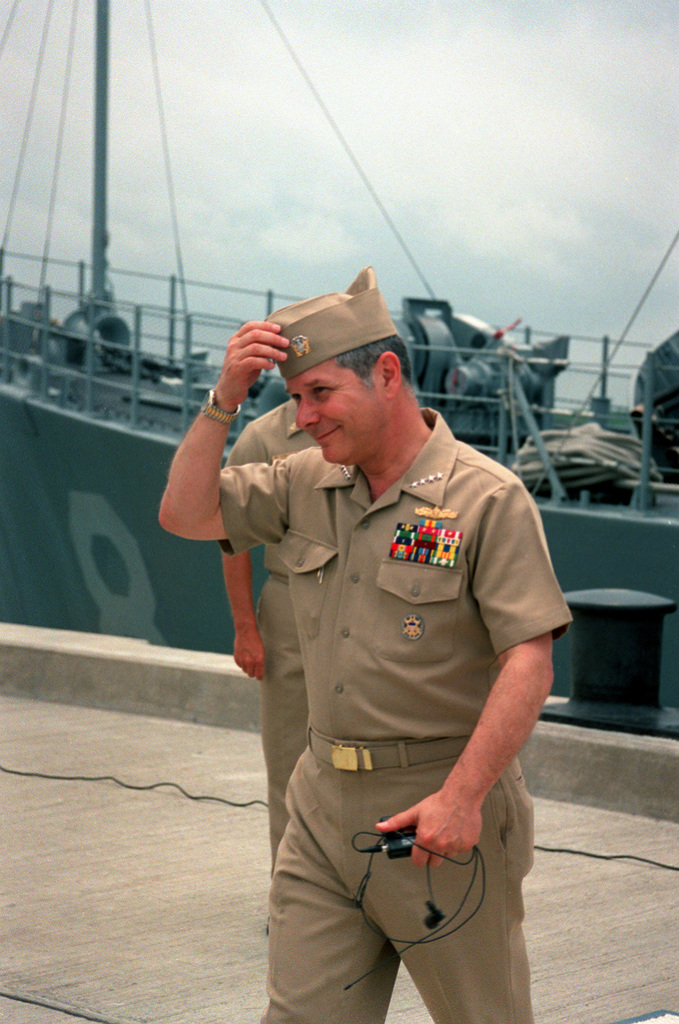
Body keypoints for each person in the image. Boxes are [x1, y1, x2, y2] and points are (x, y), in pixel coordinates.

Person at [159, 266, 572, 1024]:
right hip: (319, 812)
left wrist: (463, 797)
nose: (306, 417)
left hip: (436, 819)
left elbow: (528, 658)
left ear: (386, 374)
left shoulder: (484, 499)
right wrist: (222, 401)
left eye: (320, 393)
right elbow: (185, 515)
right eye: (294, 398)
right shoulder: (301, 482)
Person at [220, 399, 314, 871]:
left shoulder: (373, 427)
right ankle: (295, 897)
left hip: (369, 610)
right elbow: (232, 537)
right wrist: (245, 629)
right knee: (290, 762)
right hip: (291, 614)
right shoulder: (262, 438)